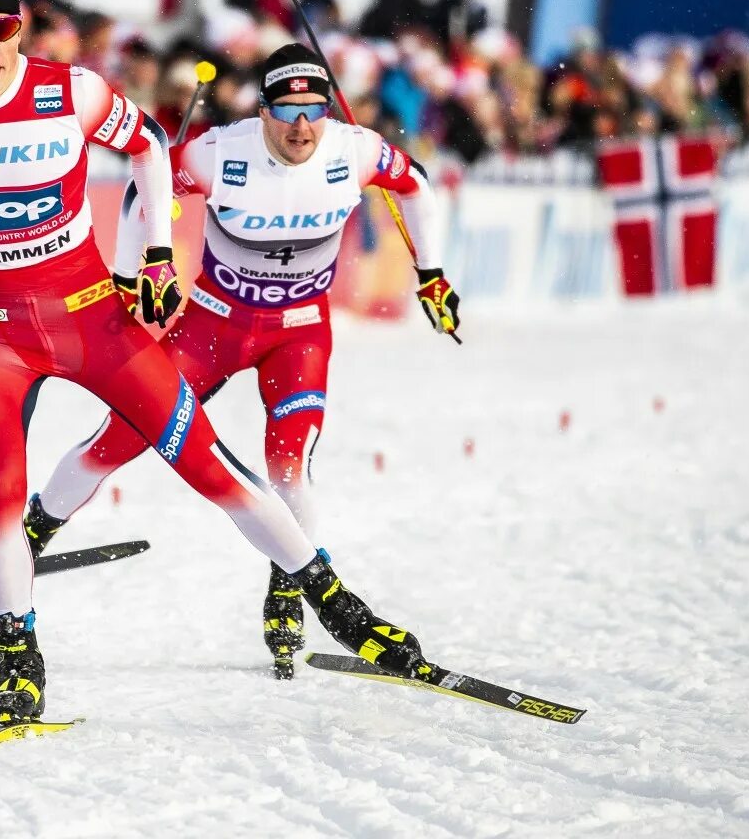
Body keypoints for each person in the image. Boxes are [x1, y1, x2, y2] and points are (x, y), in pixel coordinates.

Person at [0, 0, 440, 725]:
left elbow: (148, 145)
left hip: (90, 316)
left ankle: (338, 606)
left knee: (208, 463)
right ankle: (20, 661)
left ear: (21, 26)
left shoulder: (69, 92)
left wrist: (152, 253)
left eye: (4, 26)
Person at [25, 43, 461, 677]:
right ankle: (34, 530)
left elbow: (418, 185)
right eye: (287, 112)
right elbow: (138, 188)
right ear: (262, 113)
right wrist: (133, 271)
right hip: (213, 327)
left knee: (290, 462)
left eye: (314, 111)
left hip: (301, 333)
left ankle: (288, 586)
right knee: (119, 437)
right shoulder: (217, 152)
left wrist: (432, 273)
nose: (302, 127)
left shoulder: (354, 150)